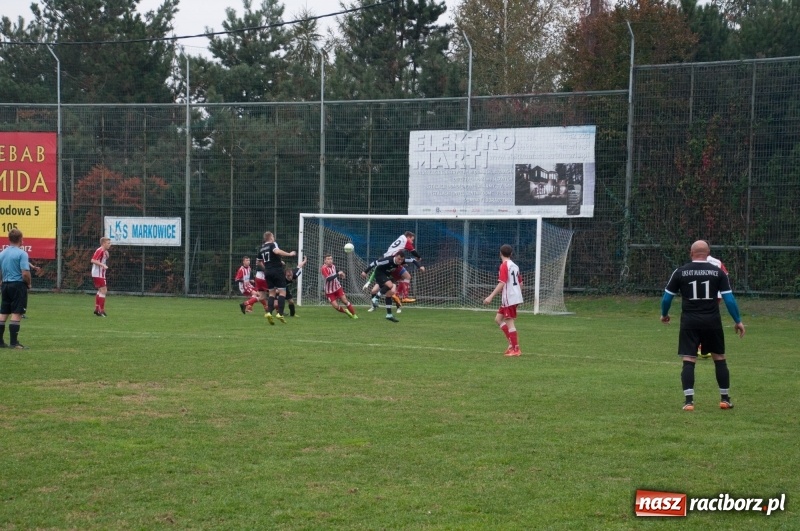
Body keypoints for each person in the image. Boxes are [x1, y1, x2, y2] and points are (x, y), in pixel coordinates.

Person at [661, 240, 746, 411]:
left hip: (689, 322)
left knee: (689, 358)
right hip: (712, 321)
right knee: (719, 358)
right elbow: (729, 299)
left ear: (691, 253)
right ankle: (724, 399)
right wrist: (738, 321)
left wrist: (664, 314)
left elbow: (667, 297)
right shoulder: (717, 272)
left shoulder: (680, 272)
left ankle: (689, 401)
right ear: (708, 254)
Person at [483, 244, 524, 356]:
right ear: (511, 254)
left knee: (509, 322)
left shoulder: (504, 265)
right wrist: (517, 297)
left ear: (500, 253)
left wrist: (490, 297)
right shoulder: (515, 266)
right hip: (514, 297)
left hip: (509, 298)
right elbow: (520, 283)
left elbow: (502, 282)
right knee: (498, 319)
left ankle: (516, 349)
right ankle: (511, 345)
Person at [0, 228, 31, 349]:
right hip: (17, 285)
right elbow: (25, 273)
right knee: (17, 312)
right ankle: (14, 343)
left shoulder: (2, 253)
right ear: (20, 239)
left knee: (3, 313)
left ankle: (1, 342)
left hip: (5, 285)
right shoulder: (21, 253)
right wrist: (28, 283)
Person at [257, 231, 297, 324]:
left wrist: (267, 268)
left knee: (271, 293)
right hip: (277, 271)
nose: (274, 238)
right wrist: (290, 254)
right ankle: (280, 313)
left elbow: (258, 262)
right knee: (282, 292)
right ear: (270, 238)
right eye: (273, 236)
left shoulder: (261, 248)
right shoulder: (272, 245)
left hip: (267, 272)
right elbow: (277, 251)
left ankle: (269, 313)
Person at [697, 254, 730, 359]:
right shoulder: (717, 262)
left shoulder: (696, 262)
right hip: (715, 295)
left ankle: (701, 346)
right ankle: (706, 346)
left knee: (699, 318)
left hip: (698, 295)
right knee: (710, 318)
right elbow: (725, 276)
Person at [361, 251, 407, 322]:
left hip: (386, 276)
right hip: (379, 274)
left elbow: (411, 260)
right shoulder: (388, 260)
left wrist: (418, 264)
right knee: (390, 285)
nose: (400, 261)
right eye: (399, 259)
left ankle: (389, 314)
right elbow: (374, 263)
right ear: (395, 256)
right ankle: (375, 298)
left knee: (389, 294)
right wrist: (365, 271)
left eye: (402, 260)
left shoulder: (400, 262)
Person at [382, 231, 422, 305]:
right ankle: (403, 297)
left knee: (401, 279)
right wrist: (419, 257)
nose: (412, 242)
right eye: (412, 240)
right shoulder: (405, 240)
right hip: (393, 261)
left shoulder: (400, 238)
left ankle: (396, 296)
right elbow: (413, 251)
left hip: (387, 261)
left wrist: (403, 262)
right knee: (407, 277)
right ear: (408, 237)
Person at [320, 254, 358, 319]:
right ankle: (346, 311)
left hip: (337, 287)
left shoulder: (333, 266)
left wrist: (341, 274)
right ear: (325, 261)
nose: (330, 260)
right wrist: (338, 274)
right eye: (328, 259)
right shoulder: (324, 268)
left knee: (345, 301)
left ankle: (354, 315)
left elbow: (336, 272)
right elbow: (328, 279)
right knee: (336, 306)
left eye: (331, 259)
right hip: (329, 291)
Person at [91, 236, 112, 317]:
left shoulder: (104, 251)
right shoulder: (100, 250)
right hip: (98, 273)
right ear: (103, 243)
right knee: (104, 290)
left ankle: (97, 309)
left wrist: (107, 254)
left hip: (100, 273)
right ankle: (101, 310)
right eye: (108, 243)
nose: (110, 244)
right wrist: (102, 265)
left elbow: (104, 257)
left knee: (100, 291)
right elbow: (93, 260)